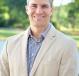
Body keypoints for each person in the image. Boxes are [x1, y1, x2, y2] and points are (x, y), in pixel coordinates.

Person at [0, 0, 78, 76]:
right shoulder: (10, 44)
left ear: (51, 10)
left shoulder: (68, 45)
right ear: (27, 9)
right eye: (34, 6)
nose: (38, 11)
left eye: (44, 6)